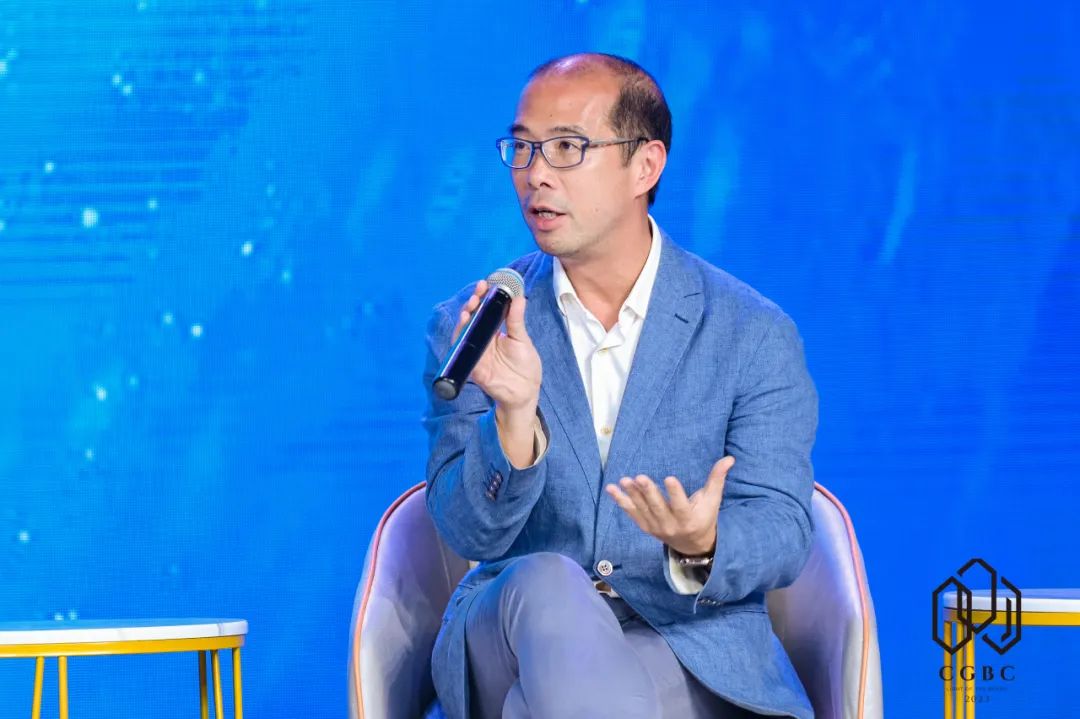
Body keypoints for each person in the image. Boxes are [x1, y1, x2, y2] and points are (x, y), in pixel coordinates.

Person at [422, 52, 817, 719]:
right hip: (513, 635)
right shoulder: (474, 327)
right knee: (548, 579)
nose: (536, 173)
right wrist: (512, 420)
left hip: (687, 644)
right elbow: (468, 534)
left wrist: (702, 545)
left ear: (646, 166)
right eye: (522, 148)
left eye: (567, 147)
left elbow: (783, 528)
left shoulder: (752, 332)